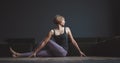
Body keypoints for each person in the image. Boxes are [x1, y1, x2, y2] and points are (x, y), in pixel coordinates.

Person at [10, 15, 86, 57]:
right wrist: (36, 52)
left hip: (63, 52)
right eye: (64, 20)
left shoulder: (67, 29)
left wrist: (80, 51)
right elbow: (44, 43)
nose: (65, 21)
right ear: (60, 21)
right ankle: (18, 54)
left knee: (48, 41)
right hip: (55, 52)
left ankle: (34, 51)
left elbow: (73, 41)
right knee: (37, 53)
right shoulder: (52, 31)